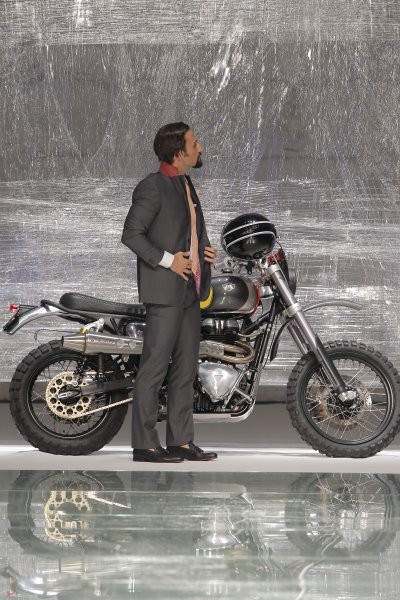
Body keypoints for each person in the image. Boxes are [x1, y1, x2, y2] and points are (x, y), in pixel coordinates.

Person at [122, 122, 218, 462]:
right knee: (154, 369)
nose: (200, 147)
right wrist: (169, 261)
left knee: (185, 370)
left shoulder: (185, 183)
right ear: (178, 152)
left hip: (189, 291)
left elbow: (190, 232)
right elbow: (132, 234)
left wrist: (204, 252)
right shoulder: (152, 187)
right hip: (164, 292)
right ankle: (145, 444)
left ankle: (180, 440)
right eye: (194, 142)